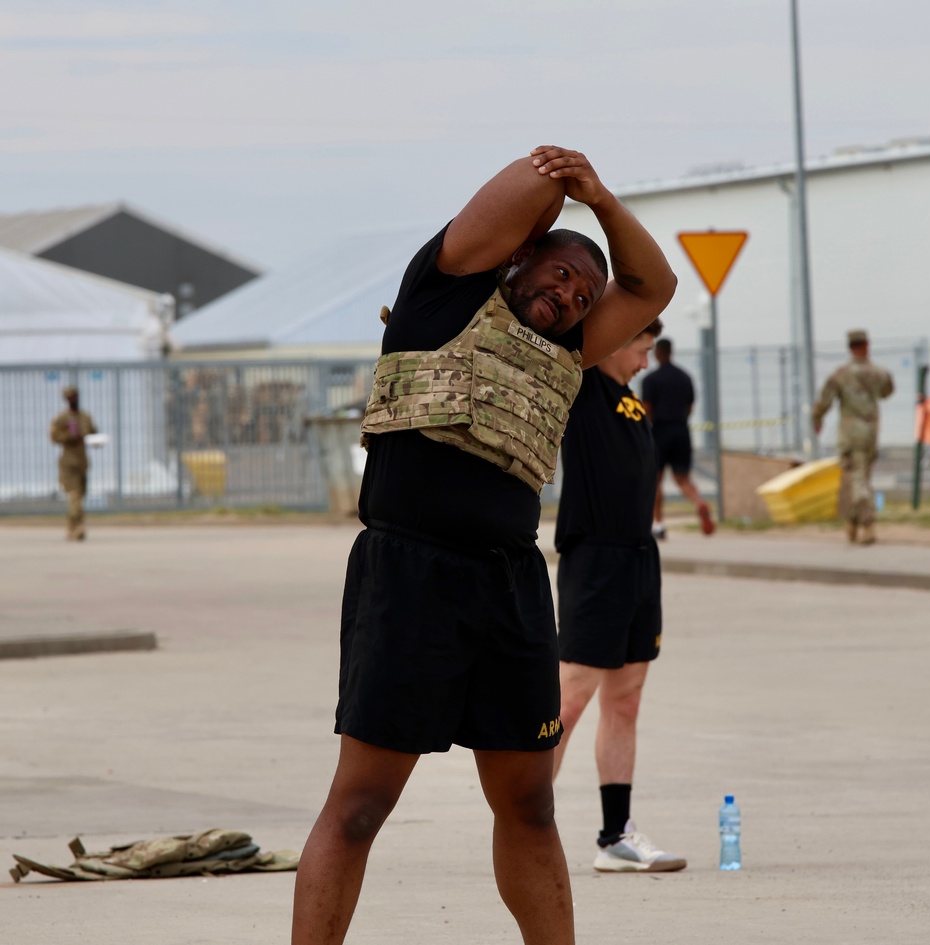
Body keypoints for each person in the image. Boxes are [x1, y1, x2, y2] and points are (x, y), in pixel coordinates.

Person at [291, 145, 677, 945]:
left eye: (582, 292)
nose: (570, 293)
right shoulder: (442, 293)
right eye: (561, 272)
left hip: (509, 582)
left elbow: (652, 286)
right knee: (361, 804)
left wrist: (601, 202)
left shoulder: (573, 350)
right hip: (409, 571)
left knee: (530, 803)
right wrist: (563, 188)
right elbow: (530, 187)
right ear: (520, 257)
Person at [552, 317, 687, 874]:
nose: (645, 362)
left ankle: (616, 837)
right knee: (568, 700)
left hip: (639, 560)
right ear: (611, 342)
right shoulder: (581, 385)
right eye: (641, 348)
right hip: (596, 560)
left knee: (625, 700)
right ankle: (523, 822)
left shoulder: (629, 400)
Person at [812, 329, 894, 545]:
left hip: (851, 435)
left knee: (856, 480)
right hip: (872, 433)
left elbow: (824, 401)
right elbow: (887, 392)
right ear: (867, 345)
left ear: (850, 347)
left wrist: (817, 419)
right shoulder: (880, 373)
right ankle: (852, 523)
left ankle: (867, 524)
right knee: (862, 479)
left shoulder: (841, 374)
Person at [640, 337, 714, 539]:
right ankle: (700, 503)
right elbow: (690, 406)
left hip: (660, 431)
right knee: (683, 478)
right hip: (682, 430)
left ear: (657, 353)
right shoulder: (684, 377)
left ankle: (659, 525)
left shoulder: (651, 379)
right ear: (671, 352)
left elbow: (647, 409)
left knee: (656, 480)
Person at [49, 386, 97, 541]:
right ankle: (78, 528)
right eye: (70, 397)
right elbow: (54, 436)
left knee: (80, 496)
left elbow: (93, 433)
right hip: (68, 462)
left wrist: (96, 440)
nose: (73, 399)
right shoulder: (62, 418)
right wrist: (69, 437)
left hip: (82, 461)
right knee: (74, 495)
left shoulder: (85, 417)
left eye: (75, 396)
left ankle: (71, 527)